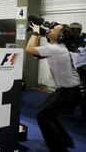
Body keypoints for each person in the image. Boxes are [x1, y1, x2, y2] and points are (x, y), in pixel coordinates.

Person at [26, 22, 82, 152]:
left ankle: (59, 148)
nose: (50, 30)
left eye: (54, 29)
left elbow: (29, 49)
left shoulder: (55, 49)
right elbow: (35, 54)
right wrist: (39, 35)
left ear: (60, 37)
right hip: (67, 90)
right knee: (46, 113)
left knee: (43, 115)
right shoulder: (57, 48)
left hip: (69, 93)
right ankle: (66, 140)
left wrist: (35, 32)